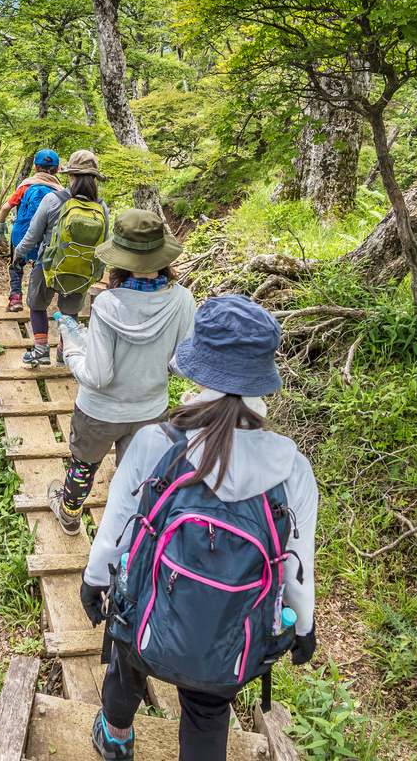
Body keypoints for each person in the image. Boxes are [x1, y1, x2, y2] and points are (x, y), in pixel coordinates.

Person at [80, 295, 318, 761]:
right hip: (226, 637)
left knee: (126, 663)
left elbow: (118, 530)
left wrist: (93, 580)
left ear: (197, 367)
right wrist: (304, 628)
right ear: (261, 378)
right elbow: (296, 567)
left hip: (147, 613)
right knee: (210, 714)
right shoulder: (292, 469)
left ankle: (115, 737)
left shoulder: (158, 443)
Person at [46, 209, 195, 536]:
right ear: (162, 254)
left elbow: (98, 376)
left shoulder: (108, 304)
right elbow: (182, 366)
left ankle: (70, 515)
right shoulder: (184, 300)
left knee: (84, 465)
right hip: (150, 410)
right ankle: (129, 530)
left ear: (121, 257)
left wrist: (71, 353)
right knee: (137, 473)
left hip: (99, 411)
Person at [13, 150, 109, 367]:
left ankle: (40, 351)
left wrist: (18, 255)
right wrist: (97, 271)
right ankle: (65, 352)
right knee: (70, 311)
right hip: (82, 270)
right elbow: (105, 243)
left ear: (70, 175)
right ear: (94, 179)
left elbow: (32, 235)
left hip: (48, 265)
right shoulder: (101, 207)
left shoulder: (52, 199)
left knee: (37, 305)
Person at [0, 149, 63, 312]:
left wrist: (1, 224)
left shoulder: (26, 186)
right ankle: (40, 299)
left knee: (15, 264)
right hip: (47, 239)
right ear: (58, 169)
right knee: (40, 265)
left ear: (34, 167)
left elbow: (6, 207)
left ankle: (16, 299)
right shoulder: (60, 191)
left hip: (21, 235)